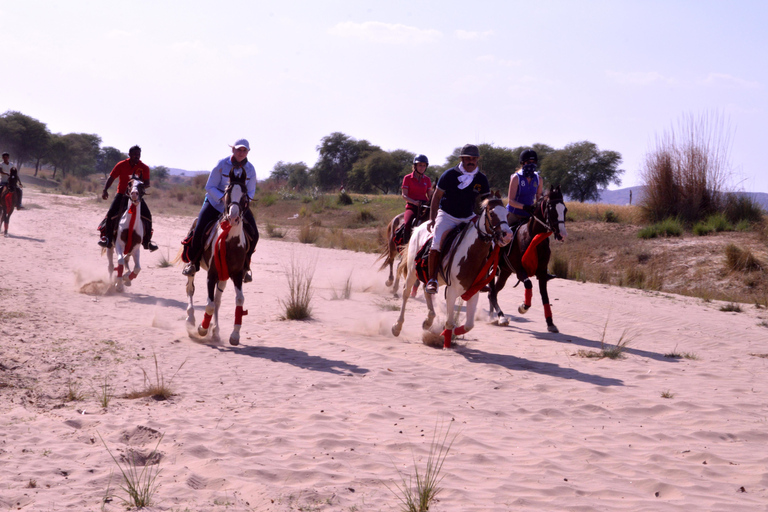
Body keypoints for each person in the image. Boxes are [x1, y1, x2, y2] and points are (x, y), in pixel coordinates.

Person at [182, 139, 259, 283]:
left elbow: (252, 190)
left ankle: (245, 266)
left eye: (244, 150)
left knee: (254, 233)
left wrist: (245, 201)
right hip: (214, 203)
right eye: (238, 150)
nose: (241, 153)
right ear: (233, 150)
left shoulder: (251, 169)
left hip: (238, 206)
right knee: (199, 229)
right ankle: (193, 263)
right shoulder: (221, 164)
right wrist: (223, 198)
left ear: (248, 152)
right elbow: (210, 186)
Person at [424, 144, 490, 294]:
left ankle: (481, 277)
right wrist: (432, 219)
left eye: (474, 158)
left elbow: (487, 201)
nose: (471, 161)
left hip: (469, 217)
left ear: (477, 160)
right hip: (447, 215)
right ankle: (432, 279)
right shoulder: (449, 175)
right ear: (462, 159)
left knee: (486, 241)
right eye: (467, 158)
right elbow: (436, 197)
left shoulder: (481, 178)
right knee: (436, 243)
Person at [98, 145, 157, 251]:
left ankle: (147, 242)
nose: (137, 156)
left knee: (148, 215)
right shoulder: (121, 165)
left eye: (138, 155)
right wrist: (105, 190)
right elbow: (111, 177)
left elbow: (147, 183)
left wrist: (138, 185)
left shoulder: (144, 168)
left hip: (135, 196)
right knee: (111, 214)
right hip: (121, 195)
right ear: (129, 155)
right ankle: (107, 238)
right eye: (134, 154)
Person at [507, 148, 543, 224]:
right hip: (513, 214)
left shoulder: (539, 179)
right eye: (529, 162)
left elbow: (539, 198)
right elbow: (510, 201)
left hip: (529, 214)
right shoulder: (516, 178)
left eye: (534, 162)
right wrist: (525, 207)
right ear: (522, 163)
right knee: (505, 234)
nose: (531, 164)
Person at [401, 154, 432, 242]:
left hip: (424, 207)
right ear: (415, 166)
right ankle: (405, 246)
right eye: (420, 165)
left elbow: (430, 195)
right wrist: (414, 202)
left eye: (424, 165)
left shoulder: (427, 180)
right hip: (412, 206)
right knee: (407, 223)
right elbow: (404, 195)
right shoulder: (407, 178)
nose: (422, 167)